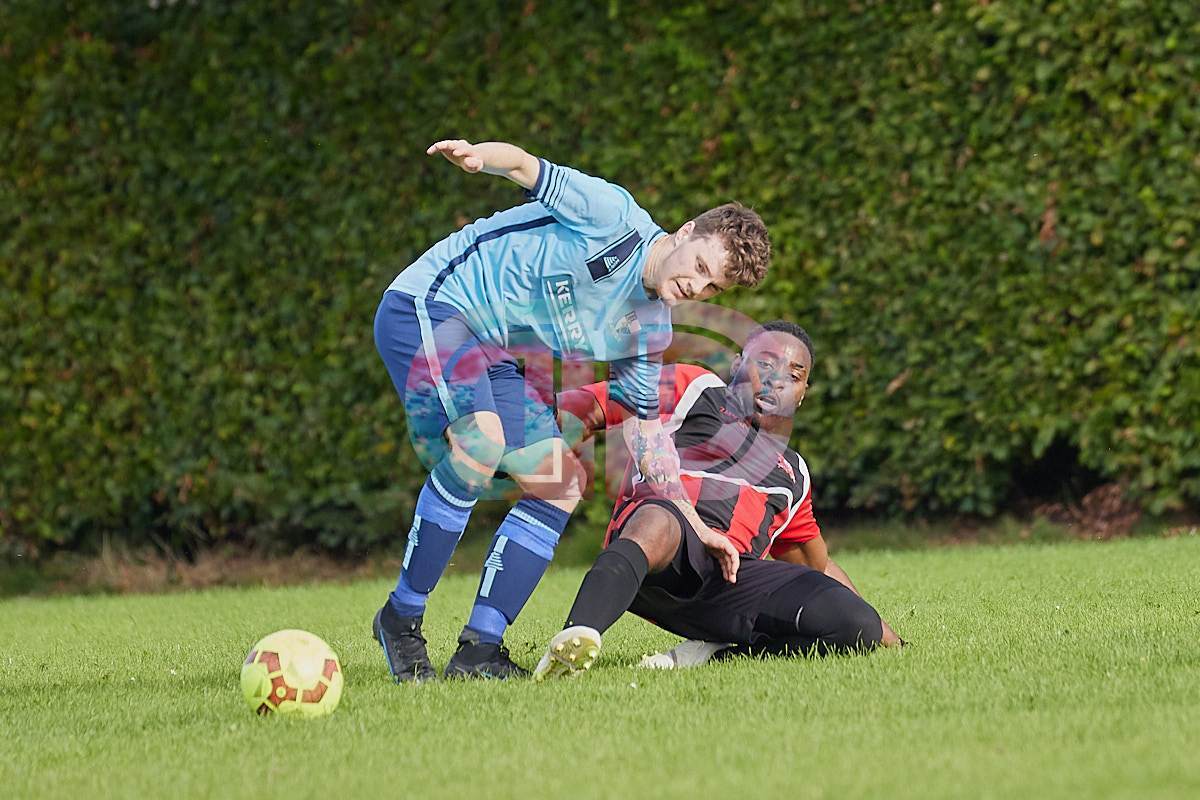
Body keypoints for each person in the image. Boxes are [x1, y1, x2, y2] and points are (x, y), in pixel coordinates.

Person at [373, 139, 772, 680]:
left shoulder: (649, 328)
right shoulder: (612, 216)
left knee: (560, 483)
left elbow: (647, 434)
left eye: (712, 286)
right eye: (699, 265)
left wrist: (696, 525)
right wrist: (477, 157)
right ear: (684, 233)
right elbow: (525, 167)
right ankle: (401, 617)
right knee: (481, 442)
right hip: (432, 304)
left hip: (492, 350)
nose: (695, 286)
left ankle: (479, 651)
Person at [534, 320, 902, 680]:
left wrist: (883, 634)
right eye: (765, 364)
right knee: (662, 519)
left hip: (729, 582)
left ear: (803, 392)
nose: (776, 381)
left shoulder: (793, 473)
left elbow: (816, 565)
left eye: (793, 375)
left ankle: (715, 656)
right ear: (738, 364)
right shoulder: (695, 389)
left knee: (855, 624)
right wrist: (520, 435)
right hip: (657, 554)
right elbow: (591, 405)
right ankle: (575, 640)